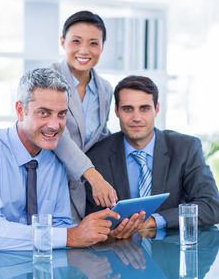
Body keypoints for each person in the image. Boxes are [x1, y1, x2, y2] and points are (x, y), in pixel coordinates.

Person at [0, 68, 145, 251]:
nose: (55, 125)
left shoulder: (55, 158)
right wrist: (72, 236)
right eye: (44, 113)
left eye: (61, 114)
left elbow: (61, 225)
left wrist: (99, 232)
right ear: (20, 111)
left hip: (43, 271)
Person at [85, 75, 219, 229]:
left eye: (144, 108)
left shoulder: (186, 148)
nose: (136, 118)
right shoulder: (97, 156)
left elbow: (211, 206)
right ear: (116, 111)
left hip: (171, 247)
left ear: (157, 109)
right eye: (128, 109)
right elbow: (93, 218)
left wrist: (155, 221)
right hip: (120, 248)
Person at [53, 10, 117, 222]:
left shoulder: (105, 90)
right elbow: (56, 135)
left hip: (83, 189)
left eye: (93, 43)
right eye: (76, 41)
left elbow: (100, 136)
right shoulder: (47, 79)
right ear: (63, 42)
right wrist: (93, 175)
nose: (84, 50)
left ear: (102, 47)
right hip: (50, 179)